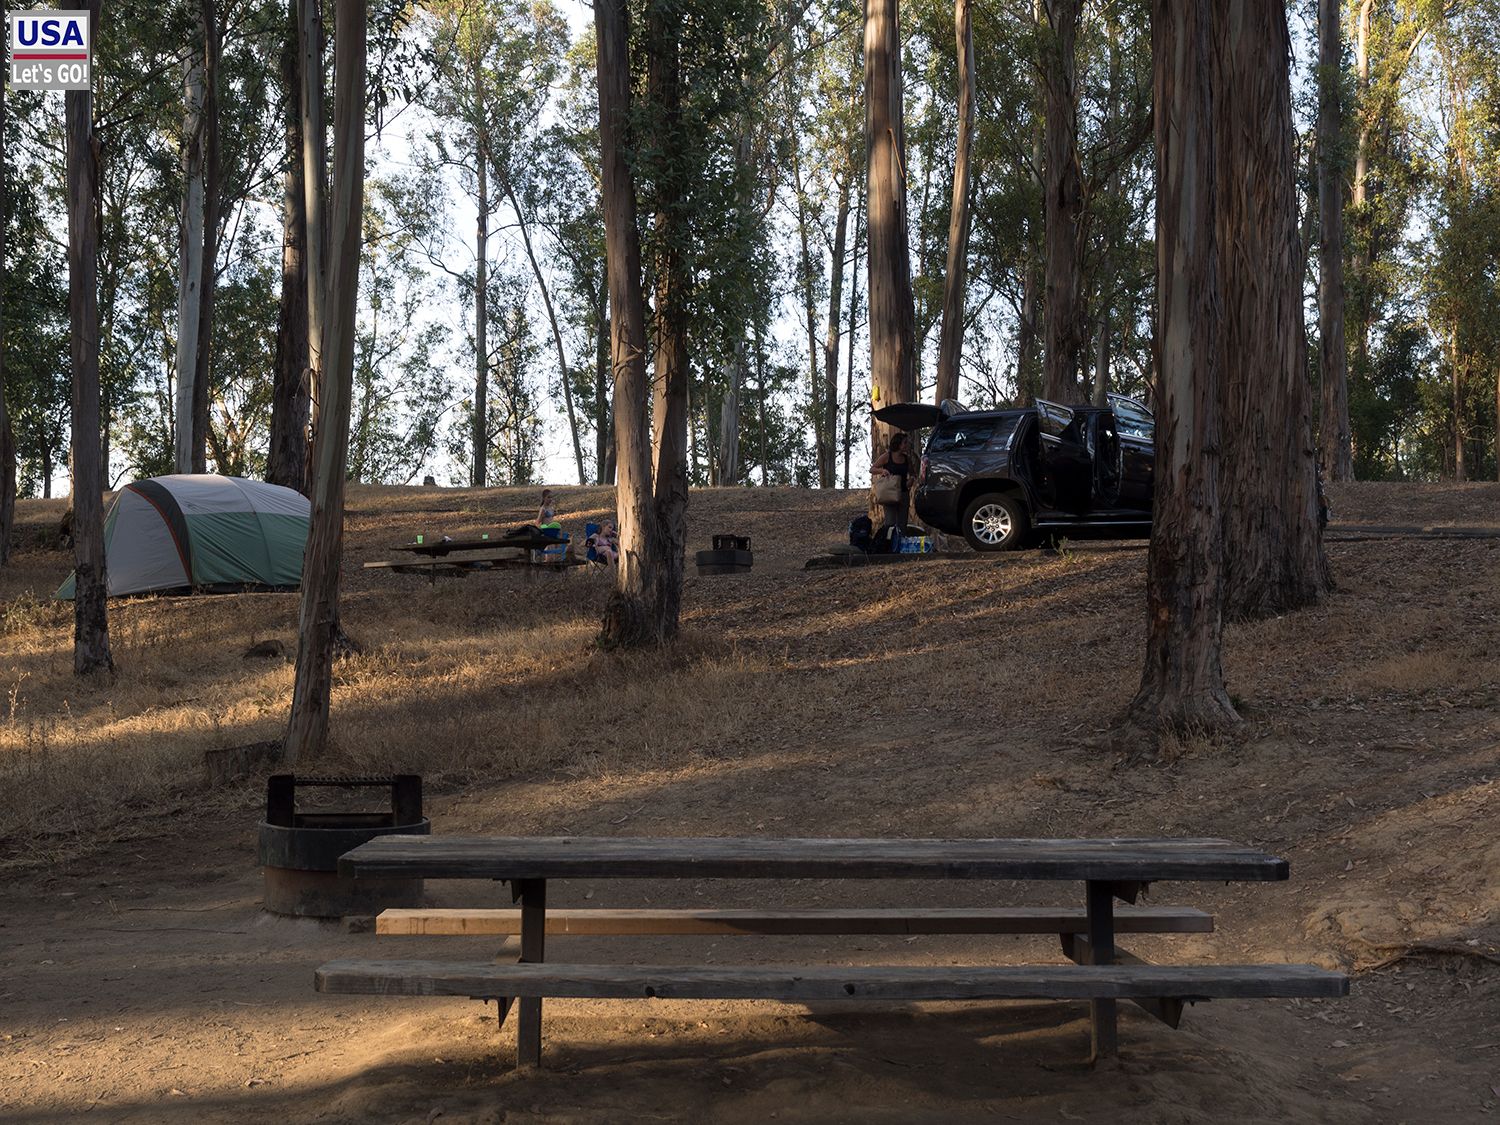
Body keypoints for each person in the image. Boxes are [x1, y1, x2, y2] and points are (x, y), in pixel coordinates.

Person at [871, 431, 916, 534]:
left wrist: (911, 480)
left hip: (903, 493)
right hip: (889, 493)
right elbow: (872, 469)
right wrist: (882, 471)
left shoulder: (906, 459)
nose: (907, 445)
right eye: (905, 442)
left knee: (902, 524)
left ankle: (900, 546)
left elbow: (913, 473)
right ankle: (889, 546)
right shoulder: (887, 456)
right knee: (890, 523)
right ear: (898, 444)